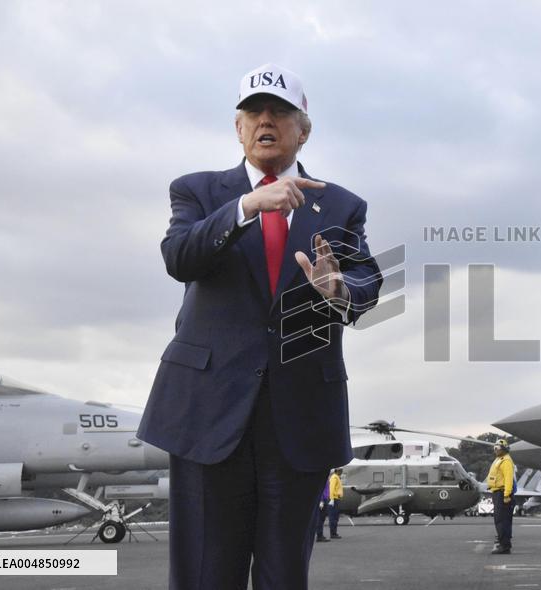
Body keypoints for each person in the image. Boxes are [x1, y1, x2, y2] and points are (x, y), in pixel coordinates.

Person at [137, 63, 382, 590]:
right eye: (253, 112)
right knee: (206, 573)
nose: (265, 120)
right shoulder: (200, 191)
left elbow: (368, 283)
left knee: (283, 573)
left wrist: (338, 288)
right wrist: (247, 206)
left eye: (279, 111)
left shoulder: (339, 205)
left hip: (299, 417)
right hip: (208, 412)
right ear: (238, 127)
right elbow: (179, 257)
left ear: (304, 129)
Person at [487, 439, 515, 554]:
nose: (496, 450)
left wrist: (506, 494)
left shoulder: (506, 461)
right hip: (497, 492)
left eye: (498, 448)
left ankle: (504, 545)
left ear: (504, 449)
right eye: (495, 448)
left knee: (501, 519)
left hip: (502, 493)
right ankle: (503, 541)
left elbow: (508, 479)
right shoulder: (499, 460)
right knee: (502, 519)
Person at [328, 468, 344, 539]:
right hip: (334, 499)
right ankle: (333, 533)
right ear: (337, 471)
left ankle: (334, 532)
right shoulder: (334, 477)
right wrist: (331, 499)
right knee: (333, 517)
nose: (342, 471)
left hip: (336, 498)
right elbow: (331, 489)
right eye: (341, 470)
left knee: (336, 517)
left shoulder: (337, 477)